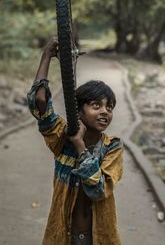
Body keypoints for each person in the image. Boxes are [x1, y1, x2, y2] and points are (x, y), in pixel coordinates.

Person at [27, 37, 123, 245]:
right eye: (96, 105)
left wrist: (79, 144)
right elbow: (39, 102)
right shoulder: (63, 136)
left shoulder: (112, 147)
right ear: (78, 111)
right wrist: (46, 56)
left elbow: (98, 190)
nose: (105, 111)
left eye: (109, 107)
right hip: (63, 235)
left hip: (97, 237)